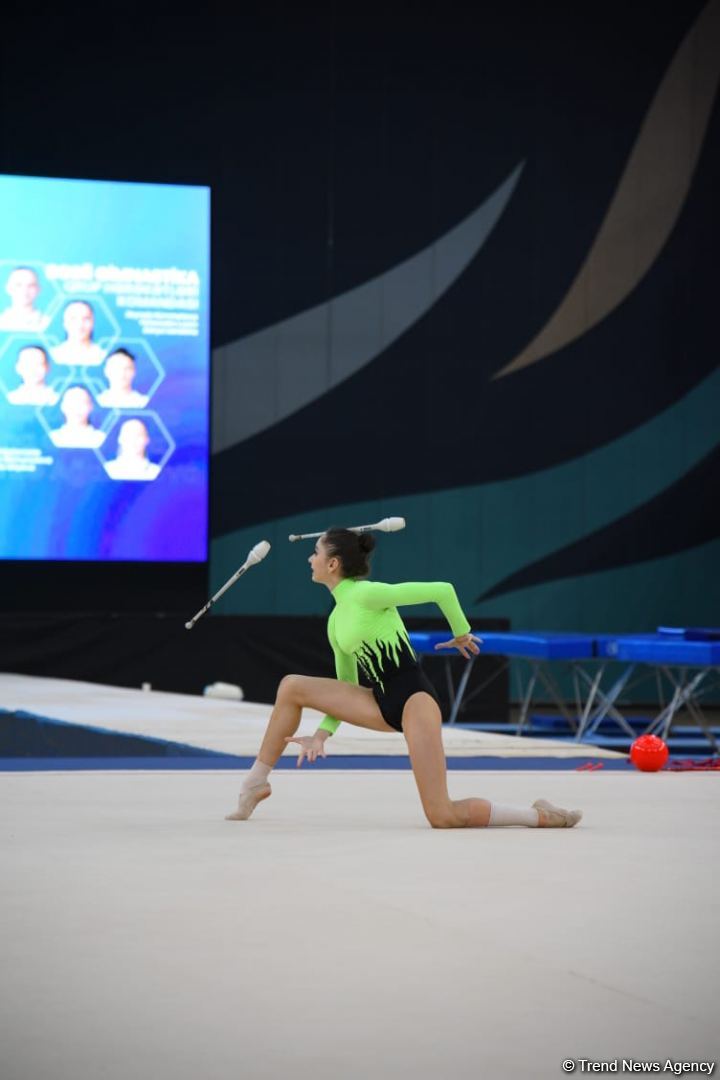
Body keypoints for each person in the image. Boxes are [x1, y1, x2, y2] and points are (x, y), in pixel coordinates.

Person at [226, 528, 583, 829]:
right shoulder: (335, 621)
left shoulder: (366, 594)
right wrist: (321, 734)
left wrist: (461, 632)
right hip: (378, 702)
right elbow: (346, 686)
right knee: (292, 686)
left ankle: (539, 815)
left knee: (442, 815)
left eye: (314, 553)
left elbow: (442, 590)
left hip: (414, 699)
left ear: (332, 564)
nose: (309, 559)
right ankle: (255, 782)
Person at [50, 301, 105, 367]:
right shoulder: (54, 356)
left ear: (93, 323)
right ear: (64, 323)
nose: (80, 325)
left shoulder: (102, 356)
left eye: (86, 319)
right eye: (73, 319)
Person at [0, 267, 50, 332]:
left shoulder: (47, 324)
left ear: (38, 289)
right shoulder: (2, 322)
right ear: (8, 288)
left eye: (31, 285)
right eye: (18, 285)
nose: (24, 290)